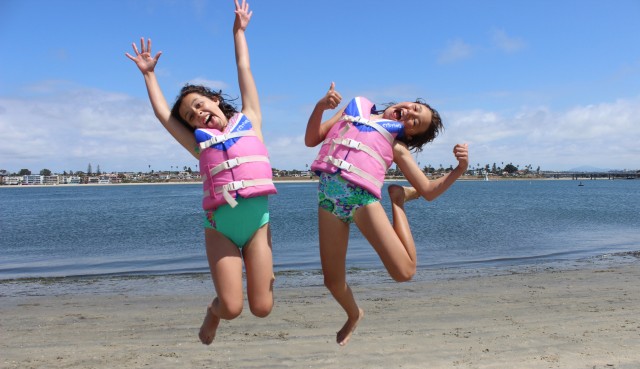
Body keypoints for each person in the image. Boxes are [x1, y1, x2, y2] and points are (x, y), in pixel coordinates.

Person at [126, 0, 276, 345]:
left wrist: (238, 32)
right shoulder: (200, 146)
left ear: (215, 101)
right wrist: (149, 75)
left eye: (199, 105)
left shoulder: (250, 121)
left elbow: (244, 68)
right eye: (191, 117)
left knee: (263, 308)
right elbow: (165, 116)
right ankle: (213, 312)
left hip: (257, 227)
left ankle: (262, 274)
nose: (198, 114)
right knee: (232, 306)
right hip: (220, 230)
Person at [305, 82, 469, 346]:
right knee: (333, 282)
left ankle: (398, 200)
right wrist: (320, 107)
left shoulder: (395, 144)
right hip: (329, 202)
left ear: (409, 134)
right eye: (414, 108)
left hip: (362, 201)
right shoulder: (354, 107)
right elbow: (311, 139)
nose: (411, 114)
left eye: (416, 121)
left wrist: (459, 169)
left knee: (404, 273)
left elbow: (427, 190)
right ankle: (354, 313)